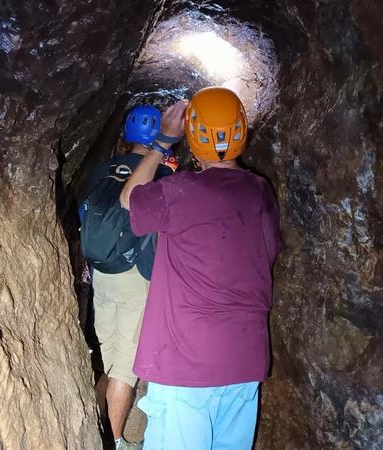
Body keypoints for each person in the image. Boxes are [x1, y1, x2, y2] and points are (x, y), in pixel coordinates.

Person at [120, 87, 282, 450]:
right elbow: (269, 251)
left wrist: (163, 141)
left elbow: (130, 199)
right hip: (244, 361)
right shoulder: (261, 192)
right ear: (243, 131)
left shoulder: (181, 191)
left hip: (186, 363)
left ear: (193, 137)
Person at [81, 104, 176, 450]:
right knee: (124, 367)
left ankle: (104, 421)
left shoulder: (102, 171)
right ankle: (119, 442)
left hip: (102, 274)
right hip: (134, 276)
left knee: (110, 354)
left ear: (126, 134)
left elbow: (83, 215)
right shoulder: (162, 177)